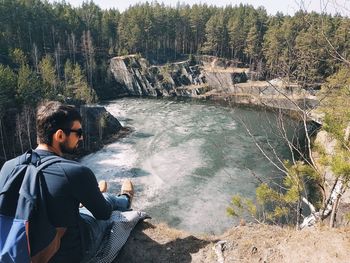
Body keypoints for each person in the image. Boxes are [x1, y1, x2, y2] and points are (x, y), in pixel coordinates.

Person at [0, 101, 134, 263]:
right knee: (106, 202)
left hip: (24, 248)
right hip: (70, 252)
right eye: (78, 132)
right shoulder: (76, 172)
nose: (82, 137)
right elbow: (104, 214)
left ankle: (94, 194)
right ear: (60, 136)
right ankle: (124, 198)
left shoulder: (8, 167)